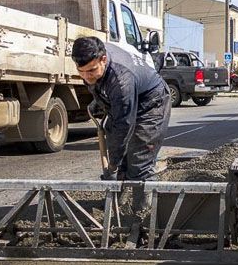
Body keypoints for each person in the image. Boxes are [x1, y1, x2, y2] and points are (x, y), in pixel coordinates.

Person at [72, 37, 171, 188]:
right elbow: (97, 83)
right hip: (129, 96)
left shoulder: (121, 80)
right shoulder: (93, 56)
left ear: (103, 59)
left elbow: (124, 125)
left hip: (152, 102)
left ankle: (142, 210)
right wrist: (98, 101)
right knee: (121, 158)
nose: (86, 76)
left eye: (91, 70)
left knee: (139, 163)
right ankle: (118, 203)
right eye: (81, 72)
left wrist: (112, 165)